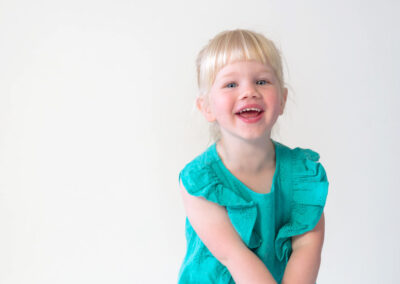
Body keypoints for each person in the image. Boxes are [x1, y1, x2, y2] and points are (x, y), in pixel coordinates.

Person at [177, 29, 329, 284]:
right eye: (231, 84)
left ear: (282, 99)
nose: (249, 92)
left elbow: (306, 249)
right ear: (207, 107)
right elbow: (233, 256)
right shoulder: (199, 182)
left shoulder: (303, 178)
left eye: (261, 81)